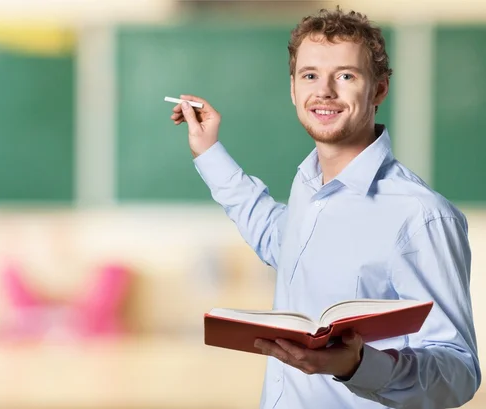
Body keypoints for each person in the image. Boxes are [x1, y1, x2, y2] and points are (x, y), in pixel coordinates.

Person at [169, 6, 481, 409]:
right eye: (310, 75)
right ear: (294, 89)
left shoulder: (420, 216)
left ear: (379, 90)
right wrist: (209, 151)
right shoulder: (308, 184)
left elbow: (458, 374)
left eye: (346, 76)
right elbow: (276, 239)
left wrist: (359, 365)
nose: (325, 91)